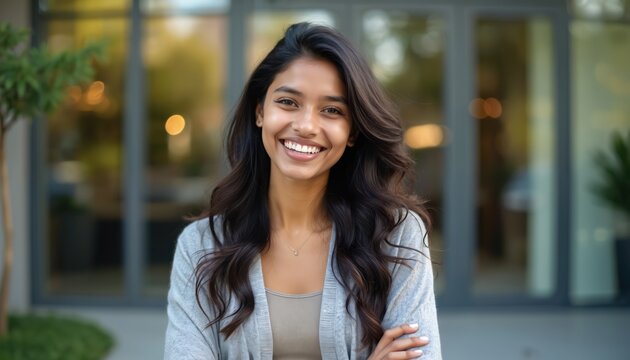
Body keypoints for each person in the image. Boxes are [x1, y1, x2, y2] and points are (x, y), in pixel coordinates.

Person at [164, 22, 442, 359]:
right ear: (259, 111)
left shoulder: (395, 235)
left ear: (352, 132)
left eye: (332, 110)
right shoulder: (201, 246)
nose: (307, 126)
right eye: (288, 102)